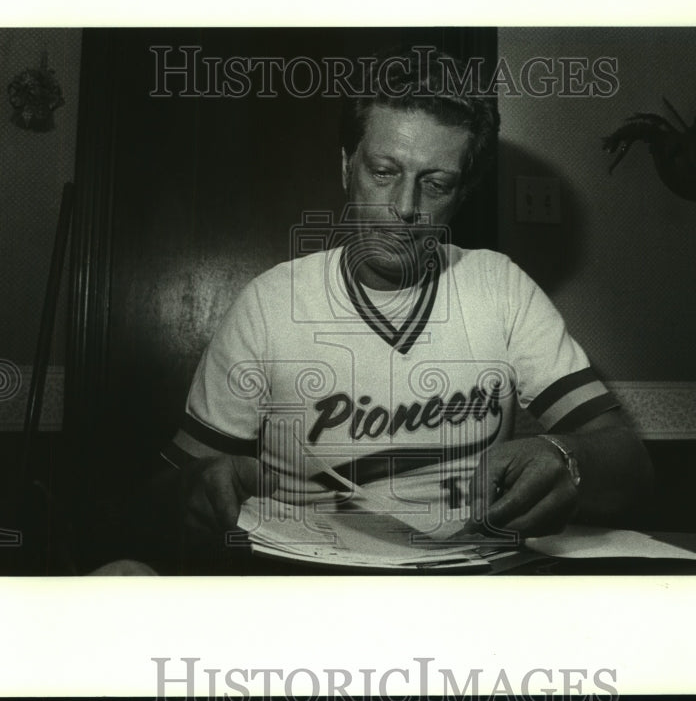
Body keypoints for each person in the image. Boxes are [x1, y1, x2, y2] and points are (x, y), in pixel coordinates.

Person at [157, 47, 652, 570]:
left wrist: (564, 457)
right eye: (384, 171)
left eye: (435, 184)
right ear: (346, 165)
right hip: (314, 582)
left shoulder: (501, 288)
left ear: (461, 195)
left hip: (468, 580)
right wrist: (200, 486)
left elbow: (632, 464)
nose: (406, 208)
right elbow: (165, 490)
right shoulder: (270, 303)